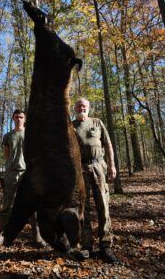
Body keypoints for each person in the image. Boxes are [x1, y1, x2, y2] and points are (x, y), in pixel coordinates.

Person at [0, 109, 45, 249]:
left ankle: (37, 235)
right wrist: (11, 167)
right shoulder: (8, 136)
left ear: (24, 119)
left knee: (33, 204)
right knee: (8, 203)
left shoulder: (31, 135)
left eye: (21, 117)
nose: (19, 119)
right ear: (13, 119)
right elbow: (7, 156)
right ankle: (4, 235)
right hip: (12, 173)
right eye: (16, 117)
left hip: (28, 173)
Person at [73, 98, 119, 263]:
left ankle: (106, 245)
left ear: (89, 108)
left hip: (99, 166)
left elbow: (108, 145)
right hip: (80, 170)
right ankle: (86, 246)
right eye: (78, 105)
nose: (81, 108)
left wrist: (112, 166)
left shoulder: (97, 122)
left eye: (84, 105)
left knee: (103, 205)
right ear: (75, 108)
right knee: (83, 208)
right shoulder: (70, 127)